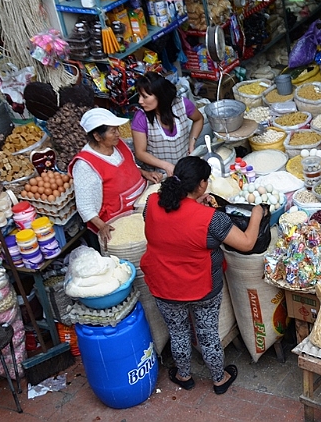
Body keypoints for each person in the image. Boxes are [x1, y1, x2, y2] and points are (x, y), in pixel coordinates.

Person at [140, 156, 265, 395]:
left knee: (177, 332)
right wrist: (257, 214)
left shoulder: (152, 202)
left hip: (164, 284)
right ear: (200, 185)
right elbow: (247, 243)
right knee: (207, 333)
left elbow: (164, 226)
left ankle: (184, 375)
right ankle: (219, 378)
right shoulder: (211, 219)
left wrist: (195, 203)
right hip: (202, 286)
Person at [70, 108, 162, 244]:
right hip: (117, 221)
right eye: (113, 131)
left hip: (141, 208)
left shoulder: (118, 145)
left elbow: (130, 165)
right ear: (97, 136)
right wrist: (102, 226)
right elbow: (85, 207)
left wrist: (145, 173)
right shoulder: (85, 166)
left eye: (117, 129)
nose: (118, 134)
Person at [132, 72, 203, 177]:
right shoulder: (141, 118)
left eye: (145, 96)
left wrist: (192, 142)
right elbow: (140, 153)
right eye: (139, 95)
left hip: (184, 168)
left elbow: (199, 119)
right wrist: (165, 165)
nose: (140, 101)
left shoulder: (182, 104)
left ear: (160, 95)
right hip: (158, 175)